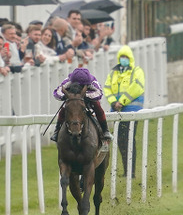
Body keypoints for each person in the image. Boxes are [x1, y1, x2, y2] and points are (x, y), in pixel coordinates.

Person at [104, 45, 145, 178]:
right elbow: (107, 88)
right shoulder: (113, 73)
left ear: (130, 58)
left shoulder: (136, 71)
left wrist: (121, 101)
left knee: (129, 139)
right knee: (120, 140)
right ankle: (126, 171)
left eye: (126, 57)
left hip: (132, 110)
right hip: (117, 111)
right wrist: (113, 103)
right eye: (122, 57)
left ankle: (131, 171)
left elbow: (137, 87)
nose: (123, 59)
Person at [50, 67, 113, 142]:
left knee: (98, 107)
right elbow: (57, 91)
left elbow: (99, 93)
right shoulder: (68, 80)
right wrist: (66, 96)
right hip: (72, 97)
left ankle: (105, 130)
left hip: (88, 98)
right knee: (64, 109)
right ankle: (57, 130)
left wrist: (84, 95)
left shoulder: (92, 81)